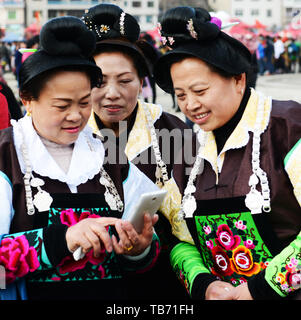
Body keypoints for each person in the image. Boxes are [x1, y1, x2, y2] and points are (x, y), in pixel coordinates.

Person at [0, 16, 160, 300]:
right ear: (26, 99)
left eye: (85, 102)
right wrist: (62, 240)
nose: (76, 116)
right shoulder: (7, 156)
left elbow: (144, 255)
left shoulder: (107, 153)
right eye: (61, 105)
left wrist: (139, 249)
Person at [154, 6, 301, 300]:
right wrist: (203, 283)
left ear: (238, 80)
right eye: (180, 95)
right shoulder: (186, 149)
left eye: (200, 90)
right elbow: (178, 238)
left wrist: (260, 288)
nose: (190, 105)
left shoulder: (286, 127)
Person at [82, 3, 192, 300]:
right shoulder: (64, 134)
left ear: (142, 81)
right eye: (99, 82)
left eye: (125, 80)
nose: (113, 93)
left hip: (161, 281)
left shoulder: (173, 132)